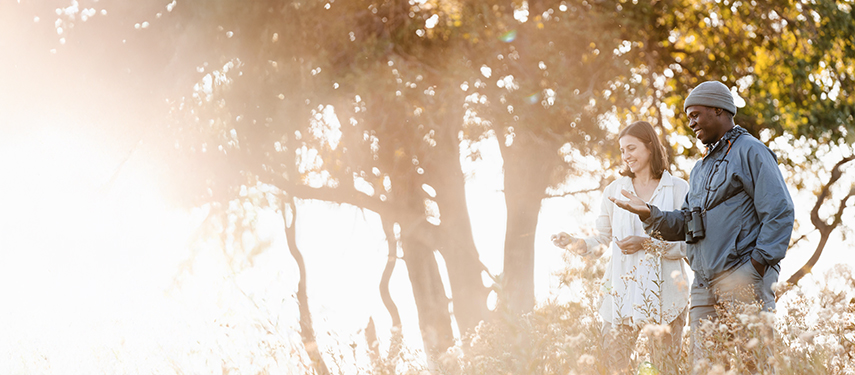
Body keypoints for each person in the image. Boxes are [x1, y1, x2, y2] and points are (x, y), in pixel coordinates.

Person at [609, 81, 795, 363]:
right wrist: (648, 213)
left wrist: (756, 267)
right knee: (704, 367)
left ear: (719, 110)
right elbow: (686, 222)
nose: (691, 122)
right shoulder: (700, 168)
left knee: (753, 364)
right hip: (704, 287)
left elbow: (779, 211)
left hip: (744, 280)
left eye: (696, 114)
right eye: (689, 117)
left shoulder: (751, 151)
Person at [552, 121, 690, 374]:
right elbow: (602, 240)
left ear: (650, 147)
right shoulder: (614, 190)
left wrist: (646, 243)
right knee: (613, 369)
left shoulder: (679, 189)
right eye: (623, 150)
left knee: (665, 370)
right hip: (620, 296)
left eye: (632, 148)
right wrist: (574, 242)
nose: (626, 156)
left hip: (667, 297)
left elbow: (688, 245)